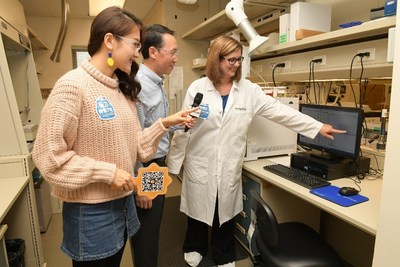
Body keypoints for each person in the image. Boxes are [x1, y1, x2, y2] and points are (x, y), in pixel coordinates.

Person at [32, 7, 196, 267]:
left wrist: (164, 123)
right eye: (134, 44)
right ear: (109, 41)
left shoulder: (121, 89)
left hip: (121, 208)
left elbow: (138, 150)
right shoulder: (73, 85)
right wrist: (107, 173)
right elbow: (48, 157)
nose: (137, 53)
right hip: (91, 213)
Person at [167, 36, 346, 267]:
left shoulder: (249, 91)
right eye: (230, 60)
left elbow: (280, 112)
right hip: (201, 161)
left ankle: (224, 254)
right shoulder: (198, 88)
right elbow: (183, 129)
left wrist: (317, 126)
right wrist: (174, 164)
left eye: (239, 60)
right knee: (198, 209)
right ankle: (195, 246)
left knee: (226, 211)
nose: (236, 64)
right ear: (216, 59)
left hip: (229, 163)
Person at [130, 24, 179, 267]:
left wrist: (181, 123)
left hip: (156, 165)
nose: (175, 58)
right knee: (146, 234)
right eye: (172, 52)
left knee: (153, 226)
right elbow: (135, 139)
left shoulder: (157, 83)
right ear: (153, 52)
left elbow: (156, 125)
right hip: (147, 167)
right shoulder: (140, 86)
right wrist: (141, 185)